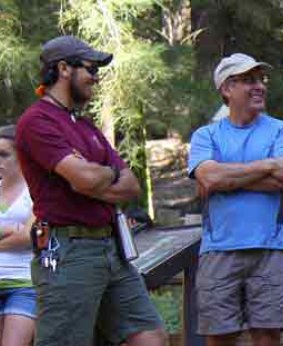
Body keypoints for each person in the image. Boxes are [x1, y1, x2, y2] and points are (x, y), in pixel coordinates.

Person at [15, 36, 167, 345]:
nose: (96, 78)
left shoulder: (86, 126)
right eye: (91, 69)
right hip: (69, 251)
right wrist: (99, 175)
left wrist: (98, 176)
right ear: (63, 69)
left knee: (151, 338)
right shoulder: (37, 121)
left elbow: (130, 185)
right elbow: (85, 178)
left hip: (113, 250)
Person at [188, 53, 283, 346]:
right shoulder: (206, 135)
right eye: (249, 80)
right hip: (218, 250)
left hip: (271, 247)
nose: (259, 86)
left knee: (267, 337)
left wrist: (226, 179)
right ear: (227, 89)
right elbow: (209, 178)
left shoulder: (282, 130)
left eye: (261, 79)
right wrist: (266, 165)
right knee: (220, 338)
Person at [0, 125, 37, 346]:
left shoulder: (35, 191)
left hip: (24, 284)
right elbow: (21, 234)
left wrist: (21, 233)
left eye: (4, 155)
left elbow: (30, 237)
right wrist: (12, 229)